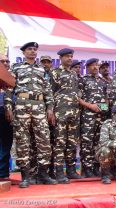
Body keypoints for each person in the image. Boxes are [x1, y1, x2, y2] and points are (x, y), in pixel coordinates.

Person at [4, 42, 57, 188]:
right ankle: (26, 176)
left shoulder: (41, 69)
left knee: (44, 140)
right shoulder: (16, 67)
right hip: (21, 106)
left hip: (39, 107)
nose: (33, 52)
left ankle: (43, 174)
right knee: (23, 141)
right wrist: (8, 107)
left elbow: (47, 90)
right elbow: (9, 88)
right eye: (30, 49)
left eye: (35, 49)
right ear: (24, 52)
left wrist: (50, 108)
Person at [50, 48, 81, 183]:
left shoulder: (74, 73)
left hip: (74, 113)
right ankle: (59, 172)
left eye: (71, 56)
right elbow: (50, 93)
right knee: (60, 142)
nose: (70, 58)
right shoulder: (55, 72)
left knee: (72, 143)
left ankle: (71, 170)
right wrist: (51, 110)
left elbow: (75, 92)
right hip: (60, 112)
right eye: (67, 56)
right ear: (61, 58)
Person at [78, 58, 108, 177]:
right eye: (92, 65)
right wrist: (90, 106)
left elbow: (106, 99)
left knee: (98, 143)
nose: (95, 67)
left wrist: (102, 107)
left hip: (101, 116)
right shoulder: (83, 80)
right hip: (87, 116)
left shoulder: (103, 81)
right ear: (87, 68)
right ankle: (87, 169)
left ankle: (96, 167)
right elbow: (77, 98)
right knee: (87, 143)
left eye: (96, 65)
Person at [0, 54, 13, 181]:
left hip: (8, 114)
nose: (5, 63)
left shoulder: (13, 78)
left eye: (7, 61)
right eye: (2, 61)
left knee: (6, 144)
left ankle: (3, 173)